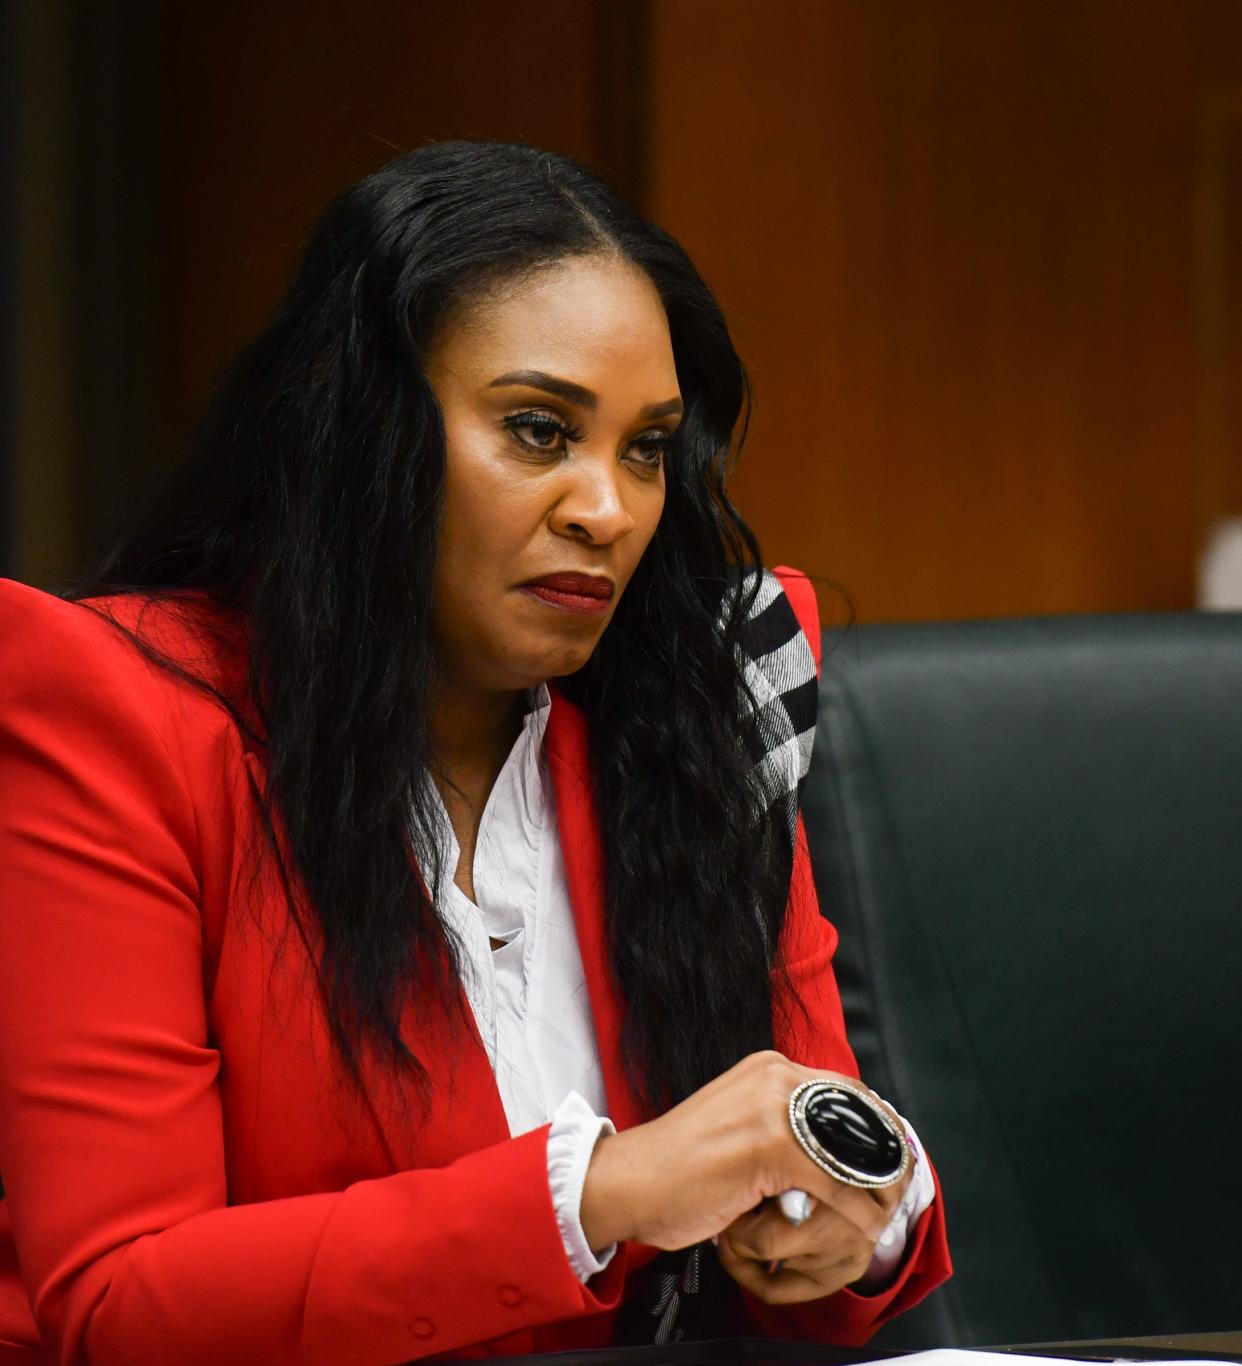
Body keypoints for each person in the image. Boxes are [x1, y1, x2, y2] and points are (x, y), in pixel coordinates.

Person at [0, 141, 950, 1365]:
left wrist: (856, 1220)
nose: (607, 508)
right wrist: (597, 1195)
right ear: (364, 436)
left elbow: (815, 1128)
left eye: (647, 449)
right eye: (542, 430)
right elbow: (120, 1300)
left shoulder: (703, 701)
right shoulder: (121, 716)